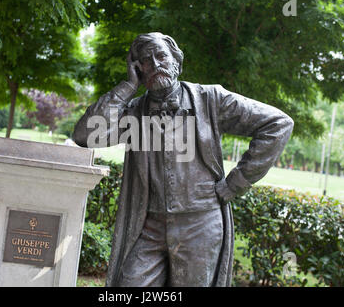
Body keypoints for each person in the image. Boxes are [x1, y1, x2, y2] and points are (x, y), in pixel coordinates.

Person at [72, 32, 294, 286]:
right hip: (149, 226)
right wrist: (128, 87)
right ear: (138, 69)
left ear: (176, 60)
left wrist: (236, 182)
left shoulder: (211, 99)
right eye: (146, 60)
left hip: (200, 223)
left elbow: (278, 124)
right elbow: (84, 135)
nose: (155, 65)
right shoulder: (134, 112)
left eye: (161, 56)